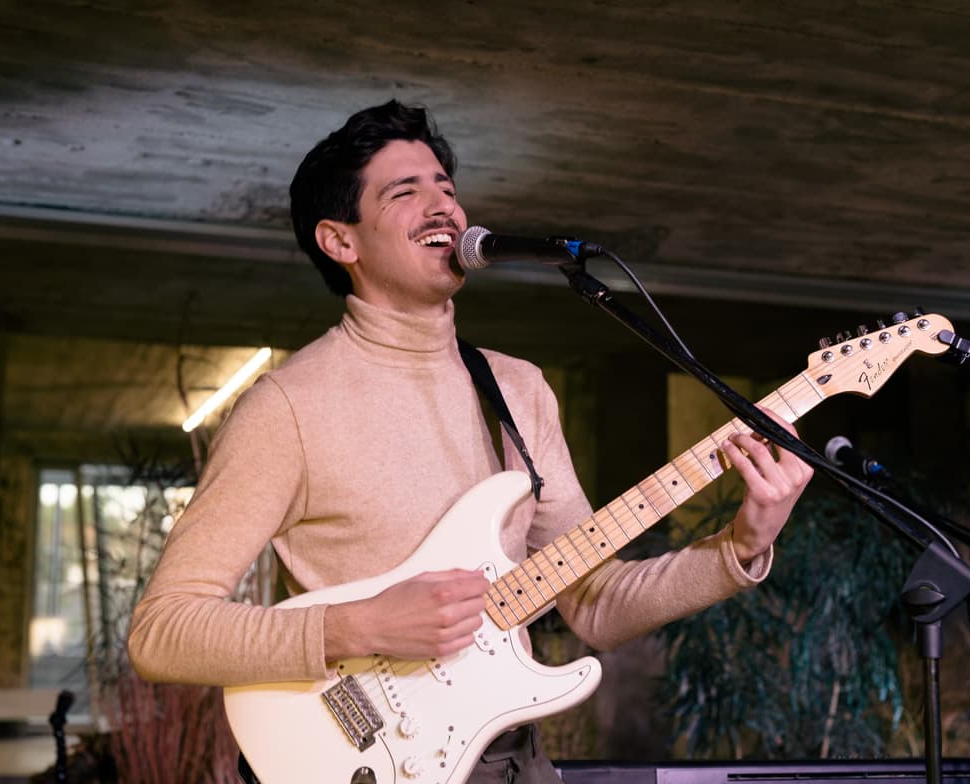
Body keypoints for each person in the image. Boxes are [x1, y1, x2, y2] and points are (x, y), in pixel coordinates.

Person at [127, 99, 813, 783]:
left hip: (515, 761)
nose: (444, 208)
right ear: (341, 241)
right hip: (369, 760)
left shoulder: (516, 390)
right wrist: (357, 627)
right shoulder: (287, 408)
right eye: (406, 192)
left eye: (447, 189)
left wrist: (738, 548)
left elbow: (596, 603)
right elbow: (163, 633)